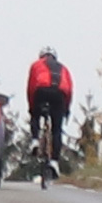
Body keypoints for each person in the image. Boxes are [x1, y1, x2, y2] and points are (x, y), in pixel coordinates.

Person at [26, 46, 73, 177]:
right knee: (57, 129)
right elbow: (69, 90)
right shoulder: (64, 68)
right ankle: (54, 161)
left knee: (35, 116)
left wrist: (31, 107)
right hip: (60, 96)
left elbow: (31, 87)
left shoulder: (36, 65)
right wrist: (66, 109)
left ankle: (35, 140)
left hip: (41, 91)